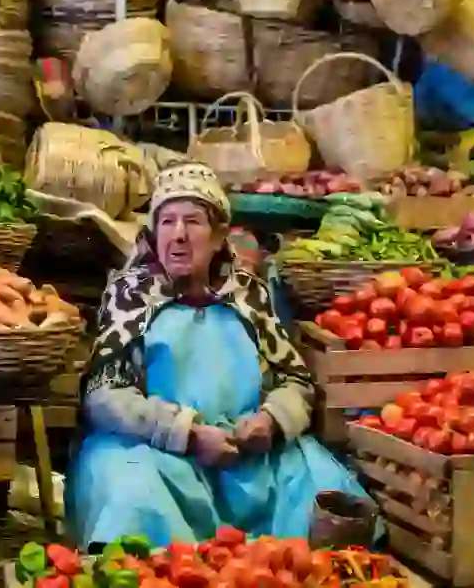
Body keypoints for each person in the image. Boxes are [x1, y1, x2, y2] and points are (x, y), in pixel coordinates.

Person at [68, 162, 369, 549]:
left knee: (325, 486)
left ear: (218, 235)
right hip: (158, 452)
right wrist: (187, 434)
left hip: (248, 459)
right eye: (167, 222)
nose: (178, 235)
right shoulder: (131, 294)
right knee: (133, 494)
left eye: (192, 221)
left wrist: (271, 420)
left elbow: (294, 380)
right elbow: (104, 395)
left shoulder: (250, 295)